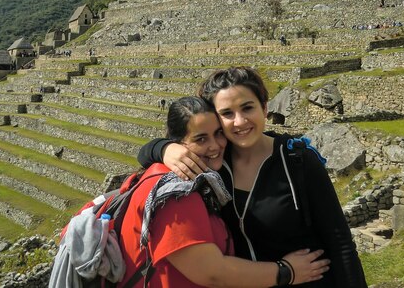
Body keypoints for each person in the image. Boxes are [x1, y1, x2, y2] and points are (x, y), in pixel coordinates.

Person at [138, 68, 367, 287]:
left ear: (265, 108)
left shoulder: (298, 160)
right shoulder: (215, 161)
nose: (239, 121)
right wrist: (165, 148)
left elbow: (341, 244)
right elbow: (145, 153)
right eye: (227, 113)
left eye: (247, 108)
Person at [119, 96, 330, 287]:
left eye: (219, 133)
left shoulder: (199, 178)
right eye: (201, 139)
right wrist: (287, 272)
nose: (215, 146)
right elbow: (212, 273)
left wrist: (161, 148)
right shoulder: (176, 193)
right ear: (178, 144)